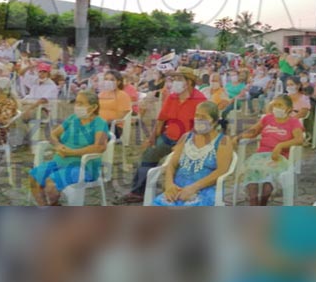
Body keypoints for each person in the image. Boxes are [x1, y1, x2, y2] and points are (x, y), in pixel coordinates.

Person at [124, 67, 206, 203]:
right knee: (149, 154)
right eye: (174, 79)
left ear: (189, 82)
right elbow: (161, 120)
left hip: (189, 142)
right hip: (168, 137)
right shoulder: (172, 97)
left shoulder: (200, 100)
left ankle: (177, 191)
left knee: (177, 164)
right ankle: (138, 191)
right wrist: (152, 138)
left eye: (179, 79)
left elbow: (201, 128)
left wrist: (183, 144)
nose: (174, 82)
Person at [28, 90, 110, 206]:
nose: (77, 106)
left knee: (51, 184)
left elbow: (100, 147)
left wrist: (71, 152)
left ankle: (54, 205)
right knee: (34, 177)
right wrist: (58, 146)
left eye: (81, 103)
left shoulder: (99, 123)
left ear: (93, 107)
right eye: (76, 102)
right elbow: (53, 134)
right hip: (59, 161)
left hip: (83, 167)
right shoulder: (73, 119)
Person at [152, 101, 235, 206]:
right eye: (197, 115)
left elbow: (221, 171)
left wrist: (193, 188)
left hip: (205, 189)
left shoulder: (223, 141)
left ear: (214, 122)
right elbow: (172, 164)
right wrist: (169, 185)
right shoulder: (186, 137)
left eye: (203, 117)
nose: (198, 119)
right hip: (178, 187)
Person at [237, 94, 306, 206]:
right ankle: (253, 203)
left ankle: (262, 204)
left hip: (279, 157)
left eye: (280, 105)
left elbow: (299, 139)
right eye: (275, 105)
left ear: (289, 108)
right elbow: (253, 132)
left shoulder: (293, 122)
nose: (276, 108)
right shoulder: (267, 118)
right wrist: (238, 137)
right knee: (251, 171)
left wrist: (280, 146)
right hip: (261, 156)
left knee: (269, 176)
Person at [96, 70, 133, 139]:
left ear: (118, 82)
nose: (108, 82)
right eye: (106, 79)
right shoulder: (101, 94)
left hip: (113, 126)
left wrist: (104, 122)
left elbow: (121, 116)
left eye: (112, 80)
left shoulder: (122, 95)